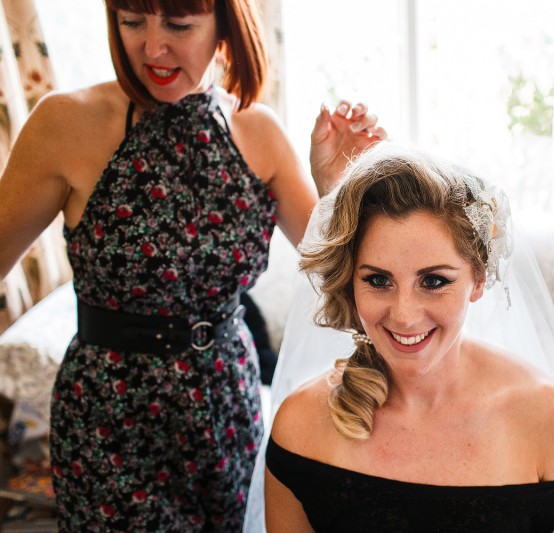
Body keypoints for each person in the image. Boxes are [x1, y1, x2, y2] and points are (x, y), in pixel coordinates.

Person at [0, 0, 386, 530]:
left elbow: (344, 273)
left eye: (179, 24)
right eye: (132, 20)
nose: (152, 47)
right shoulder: (66, 123)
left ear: (225, 25)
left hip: (226, 403)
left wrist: (336, 183)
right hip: (110, 415)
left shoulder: (259, 133)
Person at [263, 144, 554, 532]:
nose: (404, 315)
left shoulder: (548, 417)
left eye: (434, 281)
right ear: (350, 280)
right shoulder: (301, 424)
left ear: (478, 278)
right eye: (378, 280)